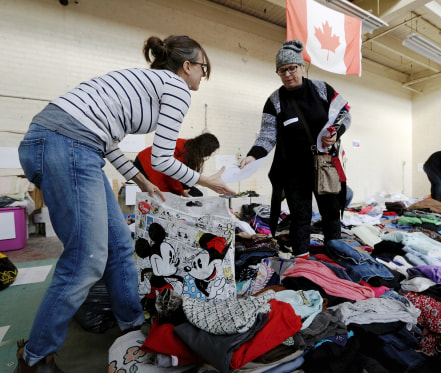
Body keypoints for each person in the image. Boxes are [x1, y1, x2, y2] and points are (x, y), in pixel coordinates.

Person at [15, 35, 234, 371]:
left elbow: (108, 142)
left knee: (119, 246)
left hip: (72, 145)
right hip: (67, 145)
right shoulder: (175, 87)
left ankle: (132, 327)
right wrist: (209, 181)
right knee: (85, 261)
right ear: (187, 66)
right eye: (204, 68)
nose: (203, 76)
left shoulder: (146, 83)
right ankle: (34, 358)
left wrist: (141, 181)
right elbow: (161, 158)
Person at [239, 40, 351, 259]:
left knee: (330, 213)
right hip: (292, 170)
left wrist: (337, 133)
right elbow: (267, 135)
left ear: (302, 67)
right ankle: (303, 262)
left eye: (292, 68)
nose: (288, 74)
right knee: (300, 217)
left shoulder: (321, 89)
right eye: (282, 70)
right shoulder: (275, 100)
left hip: (324, 164)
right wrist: (253, 155)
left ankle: (335, 256)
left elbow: (344, 113)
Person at [133, 132, 220, 197]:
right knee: (164, 195)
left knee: (194, 193)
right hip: (146, 163)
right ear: (206, 149)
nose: (209, 155)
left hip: (147, 160)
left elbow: (180, 175)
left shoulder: (188, 146)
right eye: (211, 152)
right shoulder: (186, 151)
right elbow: (172, 174)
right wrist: (181, 191)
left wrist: (181, 190)